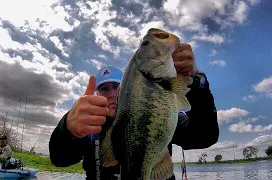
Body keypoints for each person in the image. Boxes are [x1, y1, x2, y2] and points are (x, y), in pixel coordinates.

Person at [49, 43, 219, 180]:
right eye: (104, 89)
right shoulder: (89, 127)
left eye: (116, 87)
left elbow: (204, 136)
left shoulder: (159, 113)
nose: (111, 94)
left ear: (128, 89)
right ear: (97, 94)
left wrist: (197, 83)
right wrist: (67, 128)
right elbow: (60, 159)